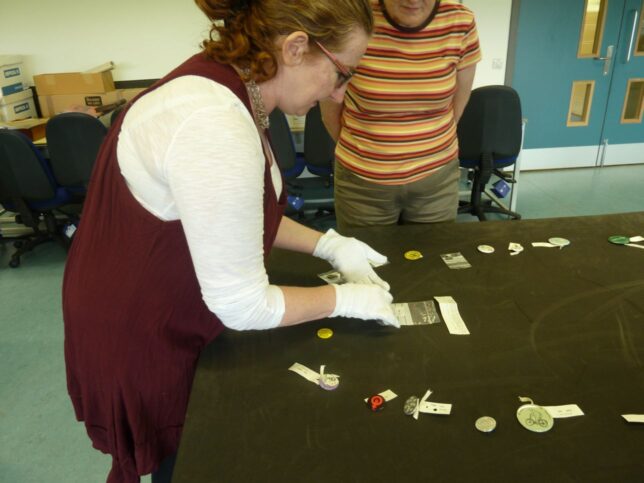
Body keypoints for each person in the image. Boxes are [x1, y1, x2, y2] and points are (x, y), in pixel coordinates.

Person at [62, 1, 400, 482]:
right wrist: (345, 299)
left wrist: (328, 245)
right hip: (141, 324)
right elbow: (244, 305)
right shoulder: (213, 120)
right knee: (183, 465)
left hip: (155, 297)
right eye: (343, 74)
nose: (341, 95)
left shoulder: (236, 87)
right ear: (297, 48)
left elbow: (231, 215)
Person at [320, 0, 482, 230]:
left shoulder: (460, 21)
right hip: (362, 185)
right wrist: (366, 154)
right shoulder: (353, 16)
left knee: (433, 259)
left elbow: (459, 101)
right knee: (367, 261)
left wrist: (429, 147)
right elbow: (330, 109)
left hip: (436, 181)